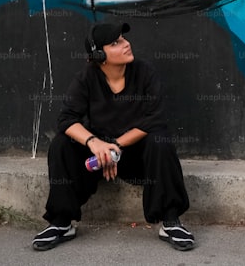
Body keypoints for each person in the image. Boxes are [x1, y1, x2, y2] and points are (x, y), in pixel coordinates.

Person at [32, 21, 194, 251]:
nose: (126, 44)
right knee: (61, 144)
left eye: (124, 39)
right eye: (116, 42)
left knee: (159, 139)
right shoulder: (86, 78)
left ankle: (170, 221)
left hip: (136, 156)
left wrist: (115, 145)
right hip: (97, 158)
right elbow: (66, 119)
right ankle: (61, 222)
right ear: (100, 56)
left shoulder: (145, 72)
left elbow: (154, 119)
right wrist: (94, 143)